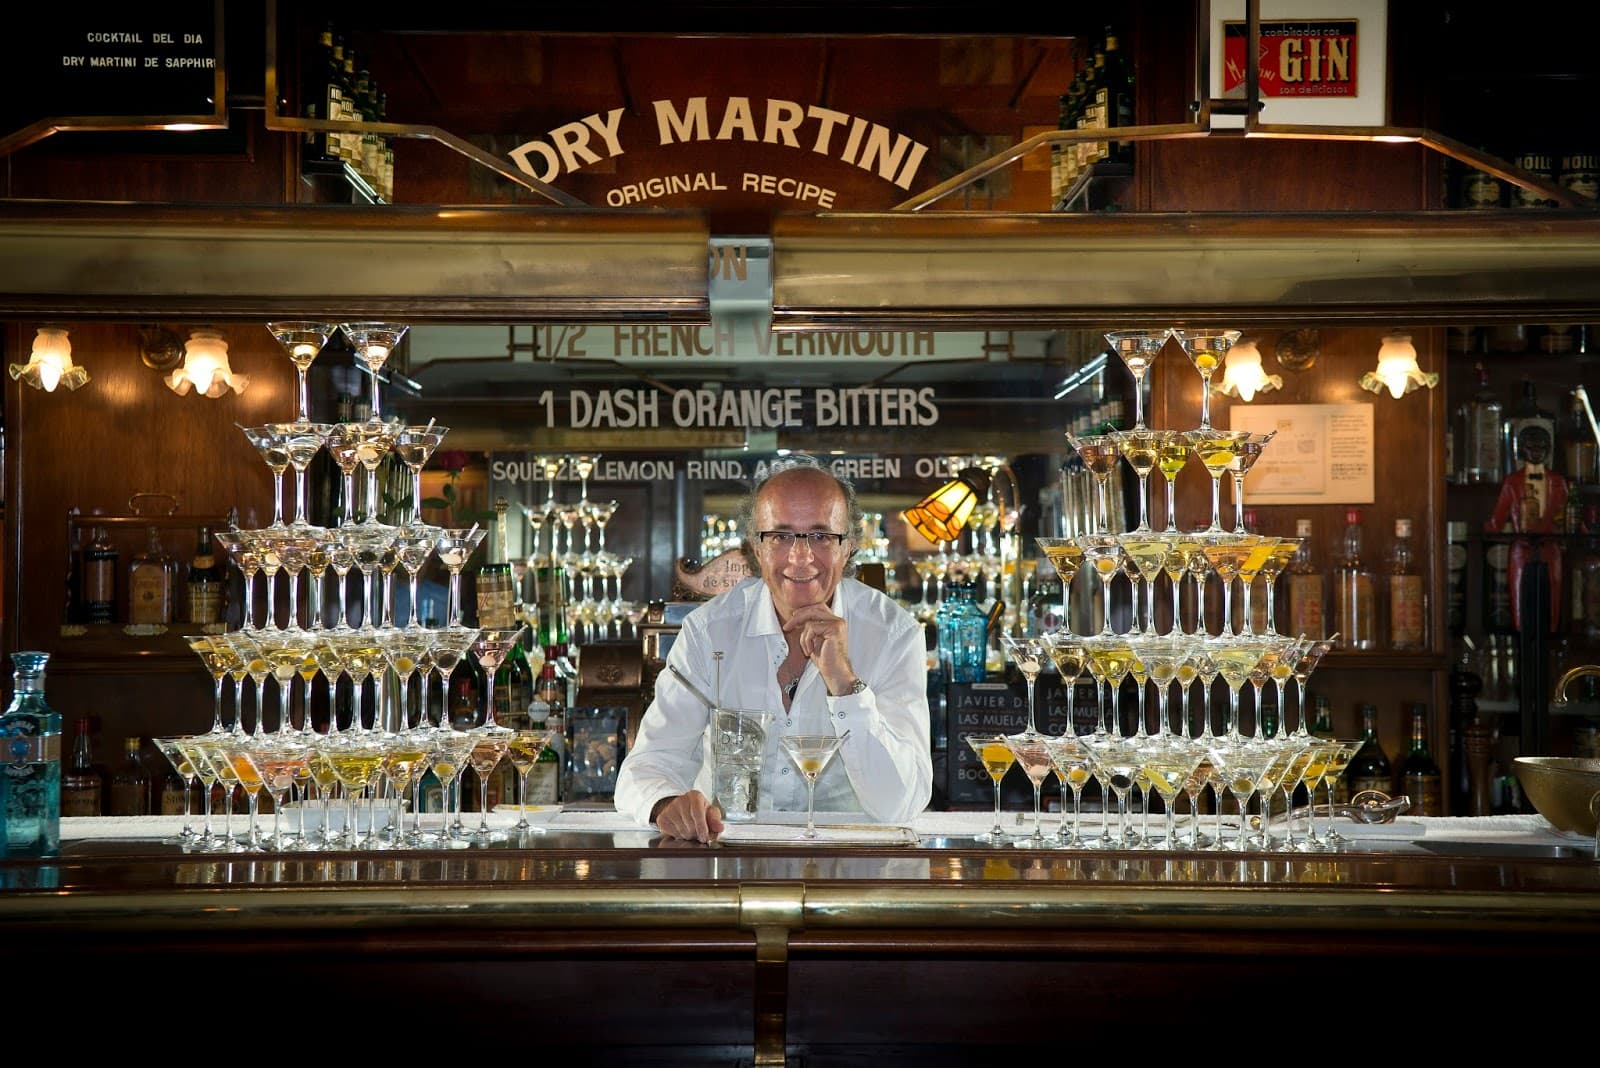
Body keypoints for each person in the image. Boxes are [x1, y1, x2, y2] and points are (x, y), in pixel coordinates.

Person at [614, 457, 932, 842]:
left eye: (820, 536)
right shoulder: (708, 632)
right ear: (755, 548)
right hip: (726, 863)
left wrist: (845, 684)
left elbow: (900, 805)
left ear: (848, 547)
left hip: (850, 870)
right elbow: (645, 768)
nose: (801, 558)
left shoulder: (894, 635)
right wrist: (666, 804)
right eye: (780, 536)